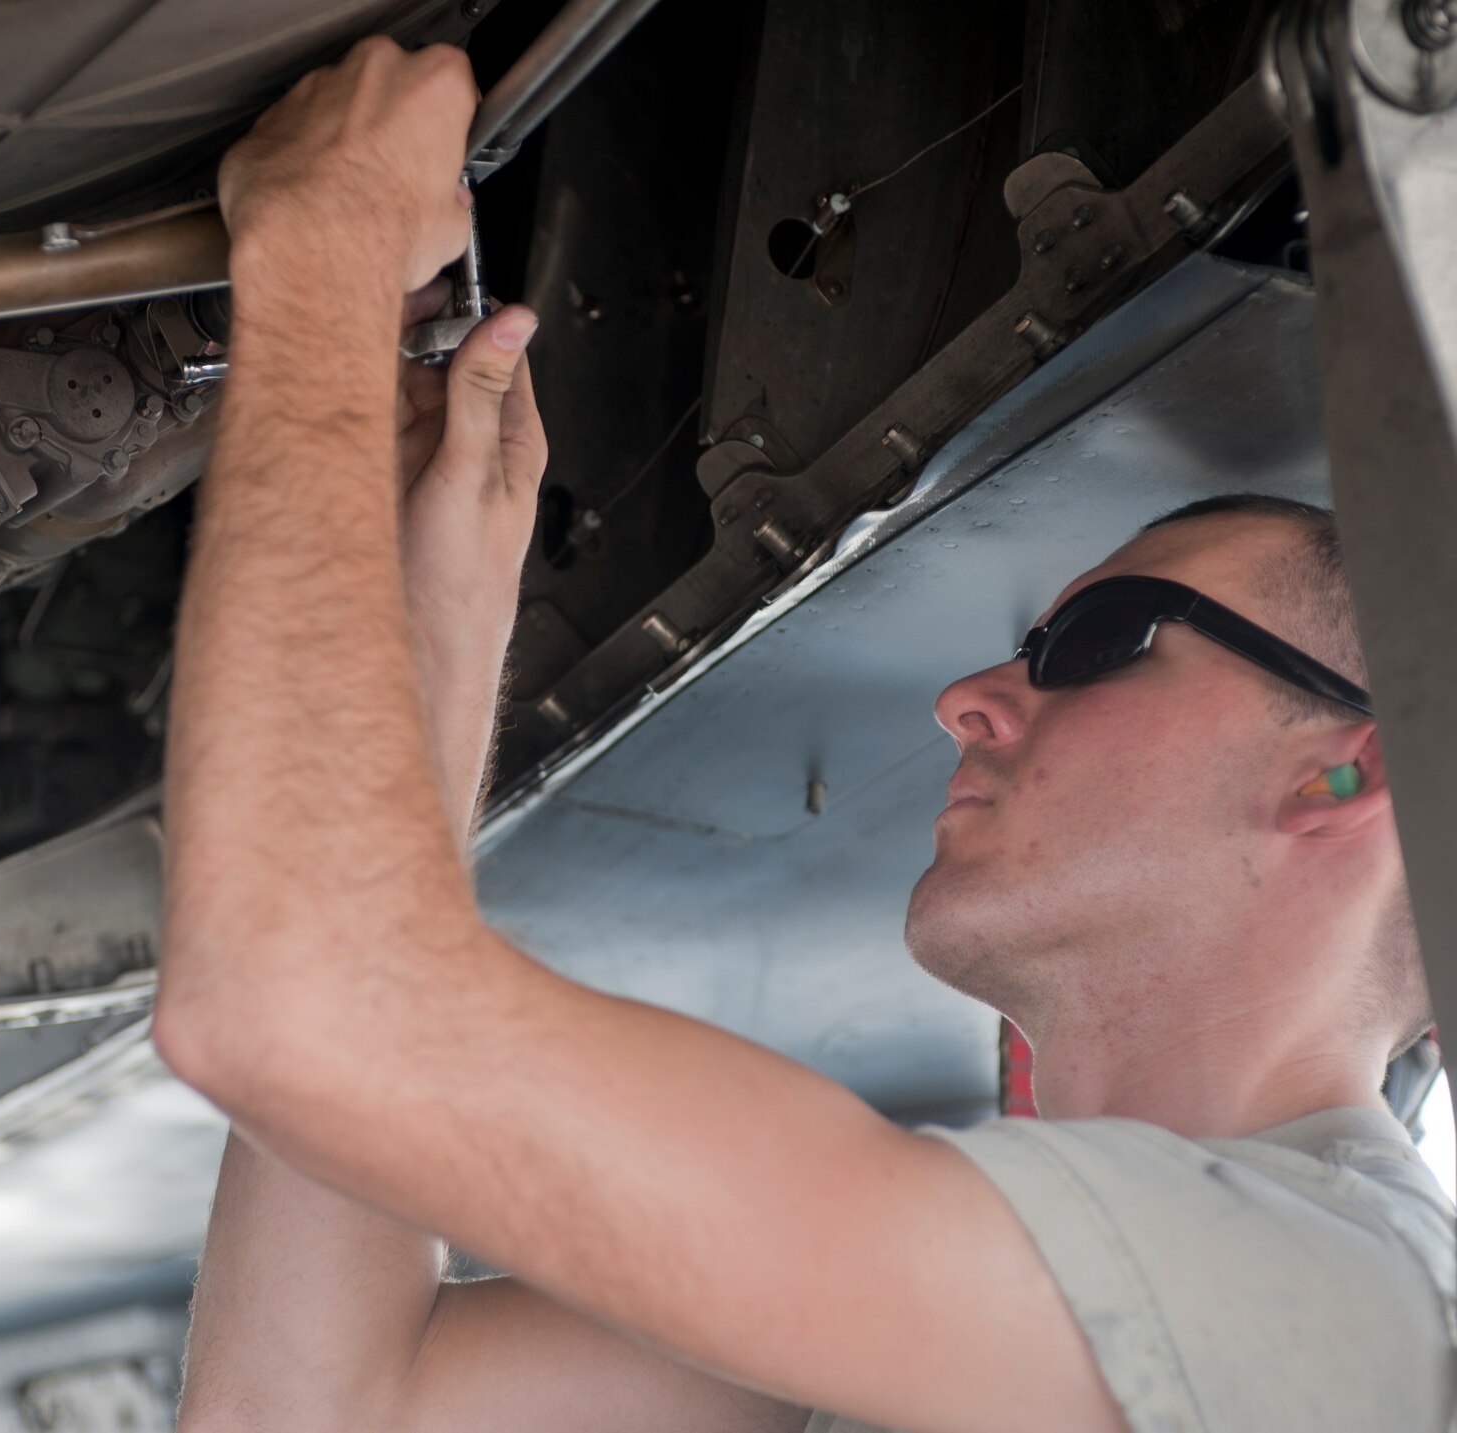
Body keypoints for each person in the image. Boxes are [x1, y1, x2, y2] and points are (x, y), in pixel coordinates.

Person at [149, 35, 1457, 1433]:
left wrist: (329, 253)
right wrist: (428, 639)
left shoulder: (1335, 1298)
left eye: (1097, 640)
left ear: (1346, 771)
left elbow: (291, 1015)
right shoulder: (1024, 1314)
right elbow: (324, 1402)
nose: (970, 697)